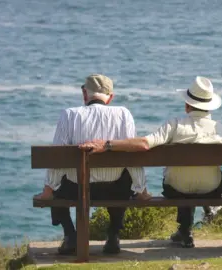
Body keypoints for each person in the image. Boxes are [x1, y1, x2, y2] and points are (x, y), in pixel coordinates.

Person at [79, 76, 222, 248]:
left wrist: (108, 144)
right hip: (211, 191)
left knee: (180, 180)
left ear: (187, 105)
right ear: (209, 107)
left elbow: (144, 144)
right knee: (212, 176)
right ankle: (191, 225)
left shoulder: (175, 125)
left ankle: (185, 230)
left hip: (176, 190)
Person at [33, 74, 150, 255]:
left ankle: (71, 236)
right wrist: (141, 190)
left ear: (84, 93)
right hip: (114, 190)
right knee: (124, 177)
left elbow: (57, 159)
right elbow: (131, 157)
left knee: (58, 184)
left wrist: (49, 189)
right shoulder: (123, 114)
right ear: (110, 97)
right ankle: (113, 235)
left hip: (76, 188)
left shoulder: (69, 115)